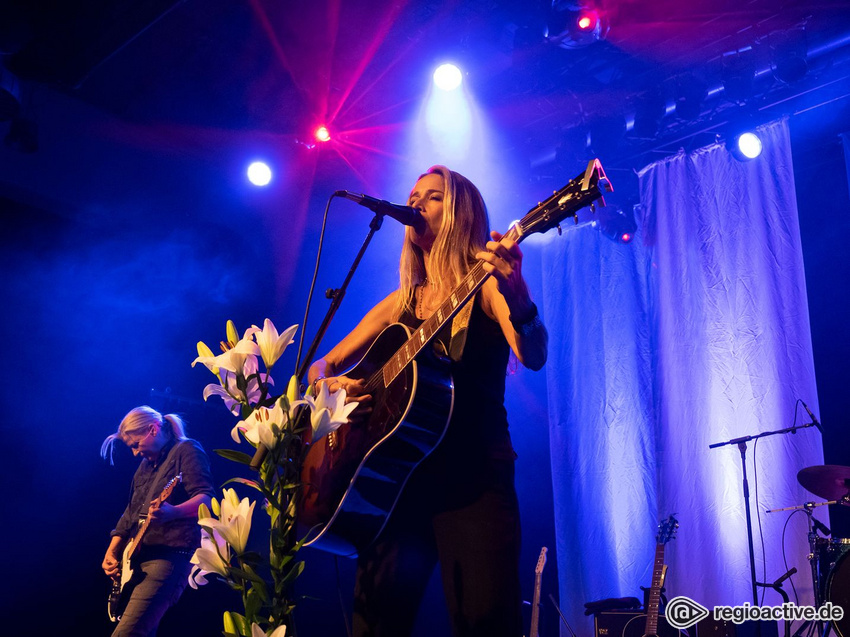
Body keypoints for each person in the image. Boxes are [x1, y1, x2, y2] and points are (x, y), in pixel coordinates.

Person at [308, 165, 548, 637]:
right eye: (413, 195)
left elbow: (534, 353)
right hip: (397, 485)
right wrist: (329, 389)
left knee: (484, 622)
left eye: (432, 197)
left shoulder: (486, 284)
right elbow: (322, 367)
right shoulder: (403, 301)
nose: (416, 203)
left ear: (461, 211)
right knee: (373, 625)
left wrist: (520, 299)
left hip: (474, 479)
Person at [101, 406, 214, 637]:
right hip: (137, 561)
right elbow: (130, 514)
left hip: (169, 560)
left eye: (135, 445)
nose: (134, 453)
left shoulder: (187, 450)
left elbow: (207, 498)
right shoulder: (144, 467)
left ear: (152, 430)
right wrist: (112, 552)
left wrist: (174, 512)